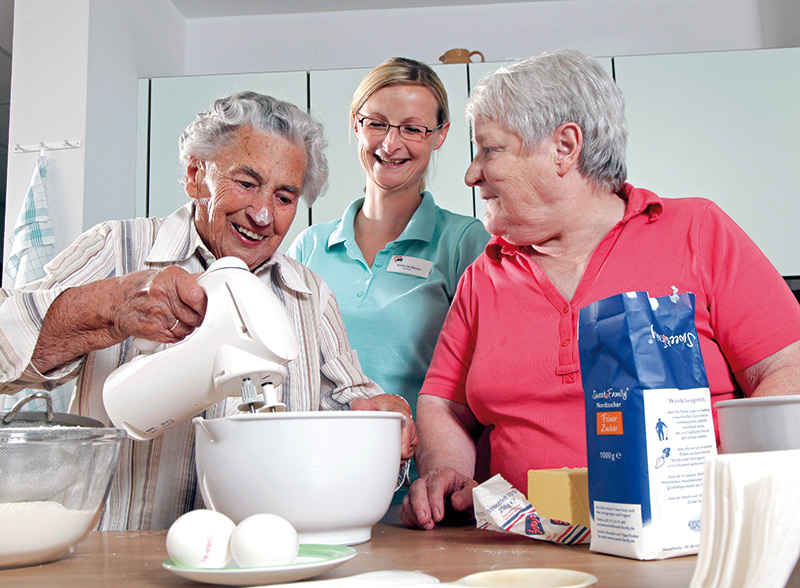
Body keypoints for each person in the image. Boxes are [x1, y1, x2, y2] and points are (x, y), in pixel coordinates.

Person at [399, 49, 800, 530]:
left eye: (490, 149)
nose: (471, 173)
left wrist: (734, 490)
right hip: (521, 550)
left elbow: (785, 367)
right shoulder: (484, 276)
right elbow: (444, 402)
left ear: (565, 147)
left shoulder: (698, 230)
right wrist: (449, 470)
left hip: (689, 537)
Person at [0, 91, 416, 531]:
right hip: (118, 555)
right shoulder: (120, 249)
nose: (261, 214)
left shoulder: (309, 294)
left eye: (284, 197)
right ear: (196, 174)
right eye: (246, 183)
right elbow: (7, 345)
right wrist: (111, 305)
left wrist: (384, 422)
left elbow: (352, 407)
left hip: (258, 560)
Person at [287, 58, 489, 509]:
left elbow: (481, 379)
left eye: (413, 129)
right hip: (318, 481)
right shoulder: (309, 245)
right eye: (376, 123)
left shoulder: (464, 241)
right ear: (355, 125)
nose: (391, 143)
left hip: (421, 494)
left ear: (440, 135)